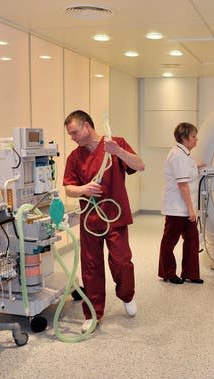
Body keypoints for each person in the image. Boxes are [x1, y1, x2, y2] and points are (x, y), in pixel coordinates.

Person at [63, 110, 145, 332]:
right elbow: (69, 189)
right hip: (90, 219)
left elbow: (140, 165)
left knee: (122, 262)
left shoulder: (115, 144)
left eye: (75, 132)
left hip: (115, 217)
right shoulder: (74, 157)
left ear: (87, 126)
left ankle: (127, 296)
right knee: (91, 267)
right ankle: (93, 313)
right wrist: (83, 189)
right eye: (71, 134)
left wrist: (118, 152)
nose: (73, 137)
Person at [158, 122, 204, 285]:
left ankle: (191, 273)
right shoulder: (177, 155)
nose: (196, 139)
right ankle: (168, 273)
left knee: (192, 239)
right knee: (170, 241)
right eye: (193, 136)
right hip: (177, 207)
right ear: (184, 138)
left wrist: (198, 167)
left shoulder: (185, 155)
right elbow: (182, 185)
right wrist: (192, 210)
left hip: (184, 206)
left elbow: (186, 172)